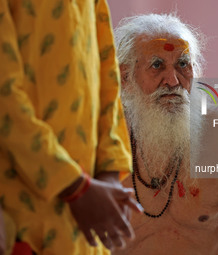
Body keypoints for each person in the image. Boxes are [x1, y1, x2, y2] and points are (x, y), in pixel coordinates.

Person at [114, 13, 218, 255]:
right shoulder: (104, 140)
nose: (173, 81)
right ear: (125, 77)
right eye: (157, 65)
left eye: (182, 64)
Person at [0, 0, 143, 254]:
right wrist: (75, 186)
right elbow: (5, 99)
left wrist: (107, 176)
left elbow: (108, 80)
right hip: (24, 213)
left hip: (86, 219)